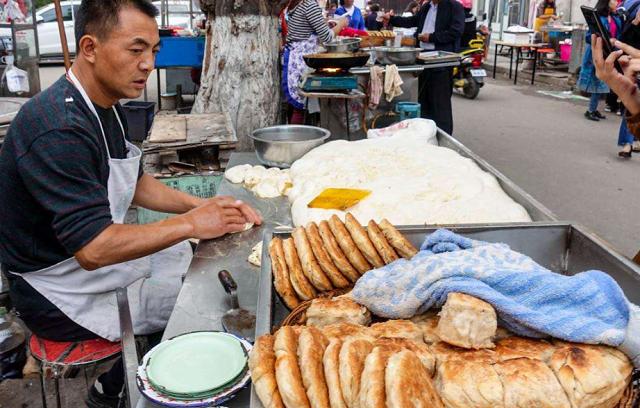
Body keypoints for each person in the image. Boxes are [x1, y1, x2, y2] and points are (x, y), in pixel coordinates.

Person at [0, 1, 262, 407]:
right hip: (57, 290)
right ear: (90, 47)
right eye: (135, 49)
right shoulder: (58, 129)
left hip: (89, 261)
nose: (147, 64)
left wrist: (206, 208)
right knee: (196, 301)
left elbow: (136, 183)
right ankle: (126, 389)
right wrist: (193, 224)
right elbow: (94, 249)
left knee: (189, 259)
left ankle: (115, 382)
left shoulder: (105, 106)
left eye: (154, 51)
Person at [383, 0, 465, 134]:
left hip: (441, 61)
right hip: (423, 58)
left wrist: (431, 37)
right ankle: (426, 134)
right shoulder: (427, 6)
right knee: (423, 99)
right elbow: (413, 21)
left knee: (440, 103)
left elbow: (456, 31)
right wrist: (391, 19)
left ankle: (444, 137)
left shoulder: (454, 6)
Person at [283, 0, 348, 124]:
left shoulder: (296, 4)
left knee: (296, 107)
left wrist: (324, 24)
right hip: (301, 61)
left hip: (294, 57)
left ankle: (294, 138)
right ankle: (297, 141)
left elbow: (306, 26)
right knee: (299, 107)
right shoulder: (309, 5)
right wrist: (341, 24)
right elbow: (327, 37)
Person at [578, 0, 621, 122]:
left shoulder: (614, 18)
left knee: (602, 82)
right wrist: (600, 37)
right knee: (597, 82)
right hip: (597, 55)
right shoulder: (598, 18)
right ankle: (590, 110)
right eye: (614, 0)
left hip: (608, 54)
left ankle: (594, 109)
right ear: (607, 2)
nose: (617, 3)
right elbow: (588, 37)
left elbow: (618, 34)